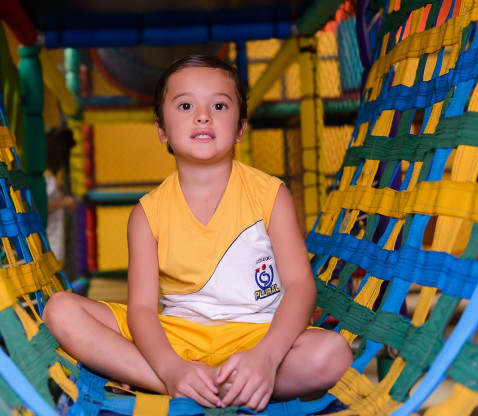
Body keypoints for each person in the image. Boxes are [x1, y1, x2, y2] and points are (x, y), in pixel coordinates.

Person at [43, 55, 353, 411]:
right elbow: (142, 310)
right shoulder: (146, 214)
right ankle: (184, 381)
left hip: (257, 334)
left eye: (219, 105)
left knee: (333, 354)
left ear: (240, 128)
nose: (203, 116)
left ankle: (226, 380)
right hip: (179, 337)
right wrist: (171, 367)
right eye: (186, 105)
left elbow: (301, 287)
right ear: (162, 129)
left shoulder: (270, 195)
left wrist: (266, 357)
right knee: (60, 310)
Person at [45, 126, 76, 264]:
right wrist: (66, 202)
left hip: (54, 247)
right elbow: (42, 206)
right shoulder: (46, 178)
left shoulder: (50, 177)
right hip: (50, 246)